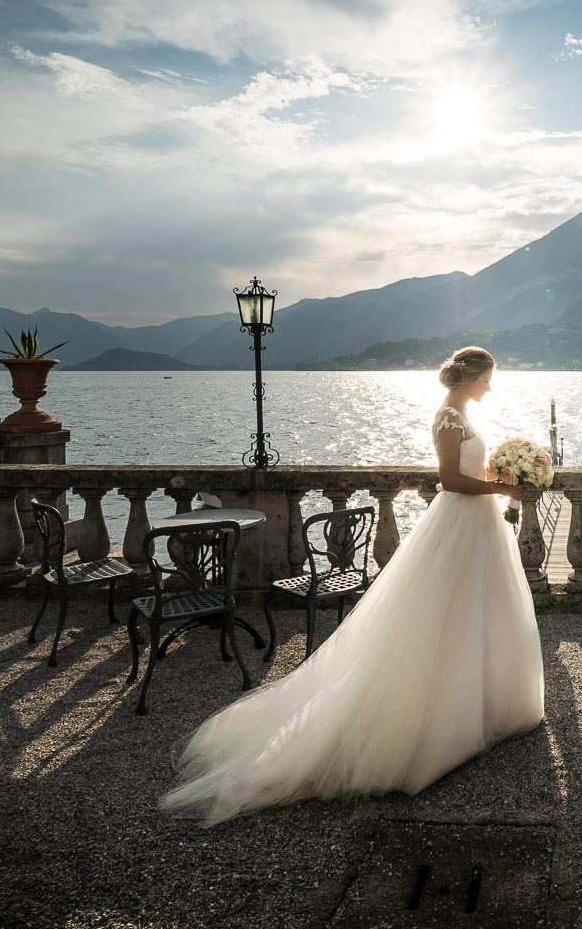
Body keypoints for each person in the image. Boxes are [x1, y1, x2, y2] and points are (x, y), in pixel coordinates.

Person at [158, 346, 546, 824]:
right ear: (473, 377)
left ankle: (487, 702)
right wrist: (501, 489)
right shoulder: (447, 419)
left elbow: (469, 473)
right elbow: (448, 480)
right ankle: (441, 719)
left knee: (482, 610)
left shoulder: (460, 414)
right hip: (460, 524)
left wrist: (498, 475)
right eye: (489, 377)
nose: (492, 384)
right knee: (447, 613)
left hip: (479, 525)